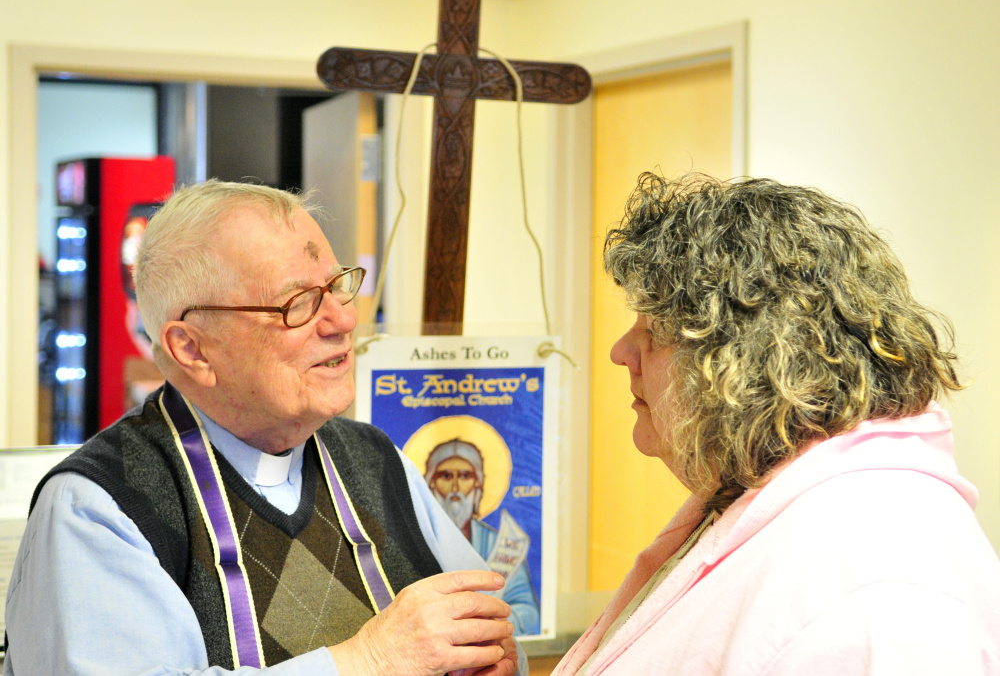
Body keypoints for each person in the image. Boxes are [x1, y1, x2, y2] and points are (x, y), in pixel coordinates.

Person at [4, 180, 525, 676]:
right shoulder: (99, 505)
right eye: (298, 302)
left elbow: (498, 632)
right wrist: (370, 660)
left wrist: (491, 658)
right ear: (193, 349)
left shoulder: (375, 458)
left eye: (339, 286)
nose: (342, 320)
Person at [555, 173, 1000, 675]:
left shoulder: (875, 579)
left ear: (739, 359)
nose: (620, 353)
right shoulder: (772, 503)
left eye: (654, 331)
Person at [425, 439, 541, 634]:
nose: (455, 488)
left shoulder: (501, 544)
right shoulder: (416, 539)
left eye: (465, 476)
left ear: (477, 484)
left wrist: (486, 623)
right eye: (446, 476)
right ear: (431, 483)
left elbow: (529, 613)